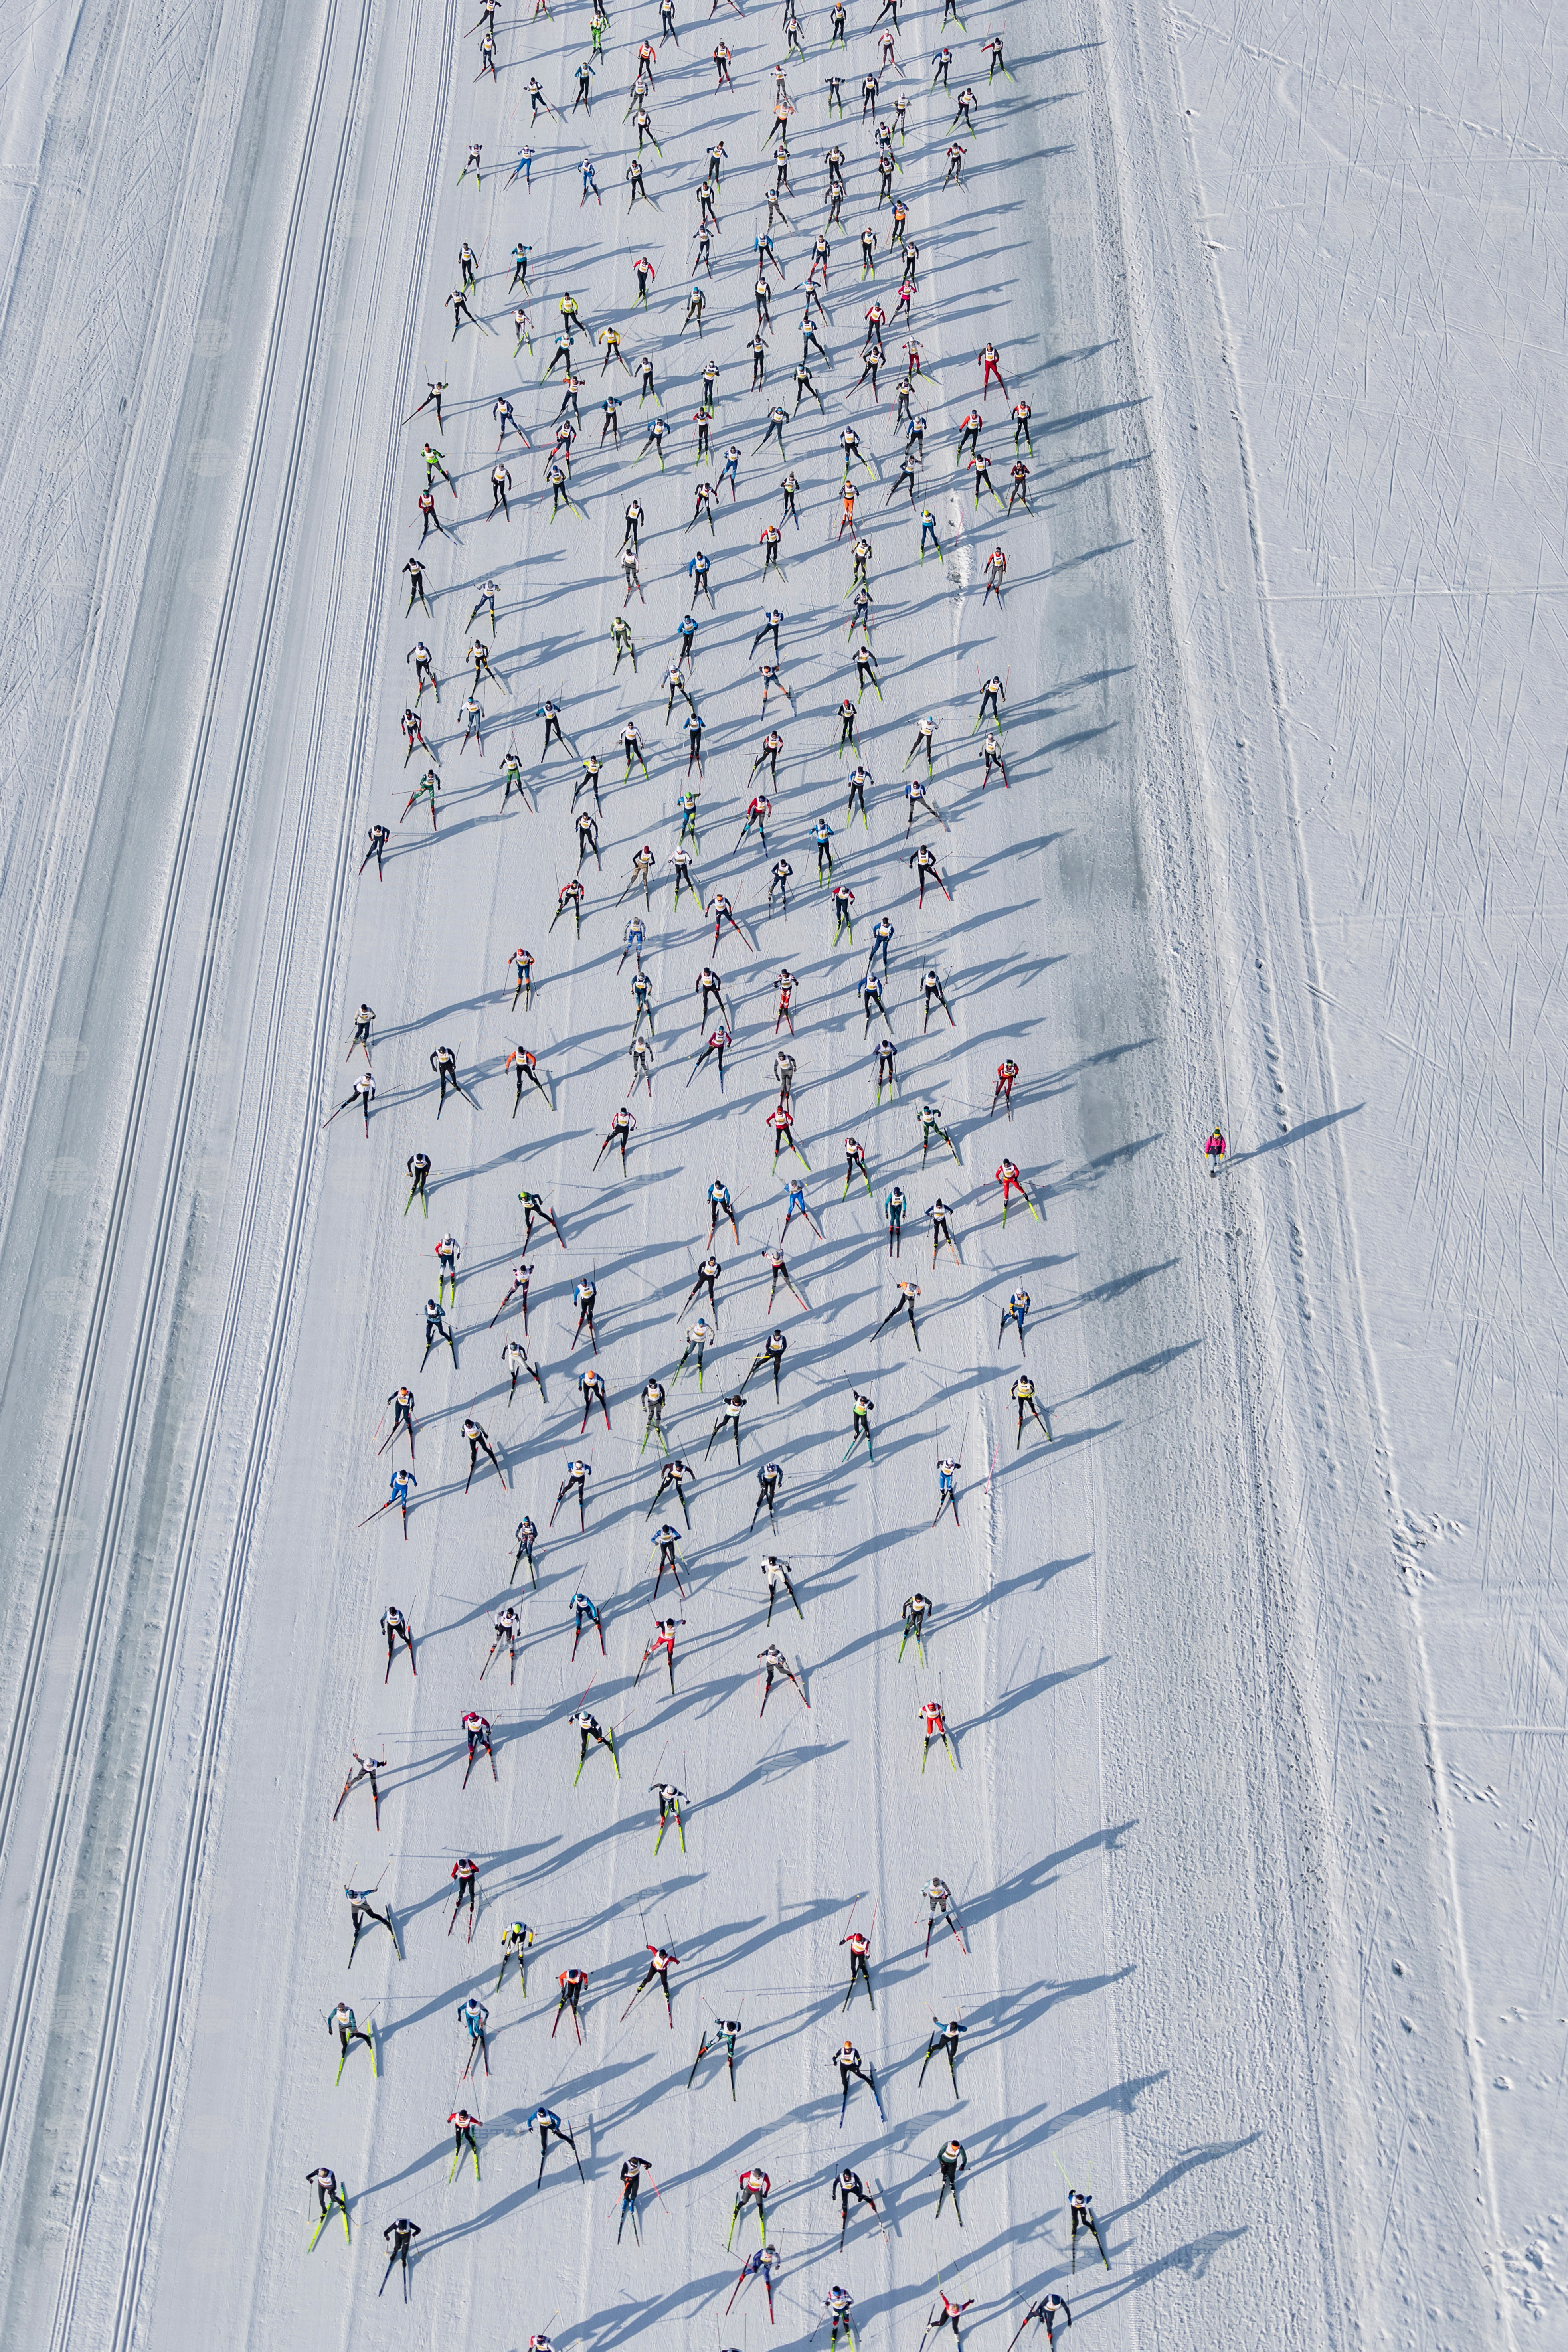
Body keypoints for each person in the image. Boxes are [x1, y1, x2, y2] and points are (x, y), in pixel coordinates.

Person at [1010, 1373, 1050, 1446]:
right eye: (1024, 1383)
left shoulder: (1030, 1382)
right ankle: (1021, 1418)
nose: (1025, 1384)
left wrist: (1029, 1396)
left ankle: (1034, 1411)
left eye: (1025, 1383)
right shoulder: (1018, 1382)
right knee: (1021, 1408)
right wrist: (1013, 1396)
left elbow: (1034, 1391)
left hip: (1028, 1396)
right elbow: (1012, 1389)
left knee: (1032, 1405)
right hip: (1021, 1397)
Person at [934, 2136, 968, 2221]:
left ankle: (952, 2184)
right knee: (944, 2172)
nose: (955, 2150)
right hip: (945, 2162)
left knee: (952, 2175)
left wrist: (963, 2166)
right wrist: (941, 2162)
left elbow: (965, 2159)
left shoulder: (960, 2148)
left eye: (956, 2148)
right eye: (954, 2148)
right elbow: (939, 2155)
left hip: (953, 2163)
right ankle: (945, 2177)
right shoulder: (947, 2144)